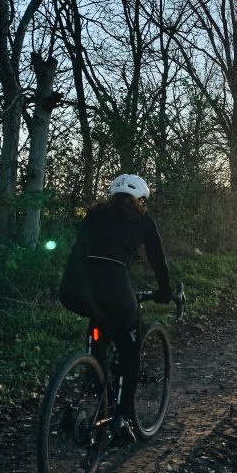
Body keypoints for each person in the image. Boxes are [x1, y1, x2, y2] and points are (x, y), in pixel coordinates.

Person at [59, 173, 172, 440]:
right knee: (129, 348)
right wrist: (164, 291)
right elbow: (158, 260)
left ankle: (95, 381)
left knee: (100, 324)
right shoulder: (143, 221)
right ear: (140, 200)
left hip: (72, 289)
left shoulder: (93, 216)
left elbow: (80, 251)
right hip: (113, 287)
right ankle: (120, 419)